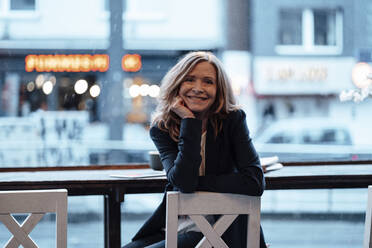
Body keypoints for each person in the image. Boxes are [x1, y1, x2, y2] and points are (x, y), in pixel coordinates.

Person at [123, 51, 267, 248]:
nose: (198, 88)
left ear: (219, 89)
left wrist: (195, 182)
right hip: (177, 222)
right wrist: (189, 122)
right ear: (177, 84)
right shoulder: (162, 128)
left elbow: (254, 181)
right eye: (190, 80)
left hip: (223, 228)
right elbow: (184, 181)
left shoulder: (232, 120)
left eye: (208, 81)